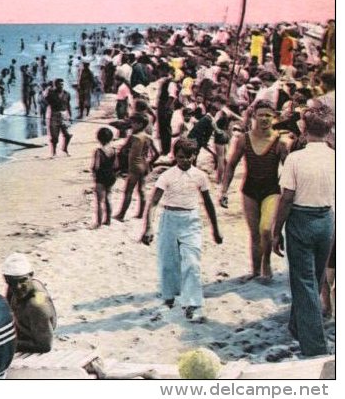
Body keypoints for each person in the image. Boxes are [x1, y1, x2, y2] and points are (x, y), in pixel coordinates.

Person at [271, 106, 335, 357]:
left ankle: (315, 346)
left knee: (304, 281)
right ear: (329, 130)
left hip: (301, 218)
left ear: (304, 129)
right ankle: (298, 325)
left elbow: (286, 198)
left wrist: (277, 231)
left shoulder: (296, 158)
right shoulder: (335, 157)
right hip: (326, 219)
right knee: (316, 278)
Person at [139, 138, 223, 323]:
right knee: (168, 262)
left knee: (192, 263)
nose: (183, 160)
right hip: (169, 219)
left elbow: (208, 203)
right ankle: (169, 299)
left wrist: (216, 229)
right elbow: (153, 202)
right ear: (175, 156)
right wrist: (149, 227)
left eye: (187, 157)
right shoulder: (167, 176)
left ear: (194, 156)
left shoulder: (200, 176)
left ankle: (193, 303)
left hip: (191, 220)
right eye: (179, 157)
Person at [220, 100, 290, 282]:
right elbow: (231, 165)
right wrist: (224, 191)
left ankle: (266, 264)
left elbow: (290, 171)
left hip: (271, 190)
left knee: (266, 229)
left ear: (274, 117)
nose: (265, 119)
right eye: (261, 115)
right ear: (254, 116)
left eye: (268, 115)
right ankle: (255, 270)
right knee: (254, 233)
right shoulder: (244, 139)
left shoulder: (279, 142)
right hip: (249, 190)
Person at [0, 252, 57, 353]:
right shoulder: (14, 287)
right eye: (12, 282)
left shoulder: (37, 304)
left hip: (36, 341)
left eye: (22, 280)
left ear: (31, 275)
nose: (17, 287)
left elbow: (45, 345)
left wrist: (9, 343)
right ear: (6, 279)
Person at [114, 113, 159, 221]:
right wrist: (150, 162)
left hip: (134, 166)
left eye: (133, 123)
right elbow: (157, 153)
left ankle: (121, 215)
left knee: (128, 191)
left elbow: (124, 150)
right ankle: (140, 214)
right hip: (144, 165)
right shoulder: (148, 137)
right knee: (141, 190)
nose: (131, 124)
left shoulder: (133, 137)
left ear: (139, 124)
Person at [91, 127, 118, 228]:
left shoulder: (98, 151)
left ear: (98, 138)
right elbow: (116, 165)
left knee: (99, 201)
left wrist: (93, 173)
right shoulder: (114, 150)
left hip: (101, 177)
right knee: (108, 198)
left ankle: (98, 223)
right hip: (111, 176)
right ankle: (108, 220)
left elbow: (96, 166)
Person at [43, 78, 72, 157]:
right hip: (53, 115)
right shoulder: (50, 93)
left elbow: (68, 105)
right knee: (54, 137)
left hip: (64, 114)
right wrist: (48, 89)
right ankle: (53, 152)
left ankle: (64, 148)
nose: (61, 86)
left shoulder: (67, 94)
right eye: (59, 84)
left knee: (67, 135)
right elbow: (45, 99)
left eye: (62, 84)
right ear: (55, 85)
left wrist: (70, 116)